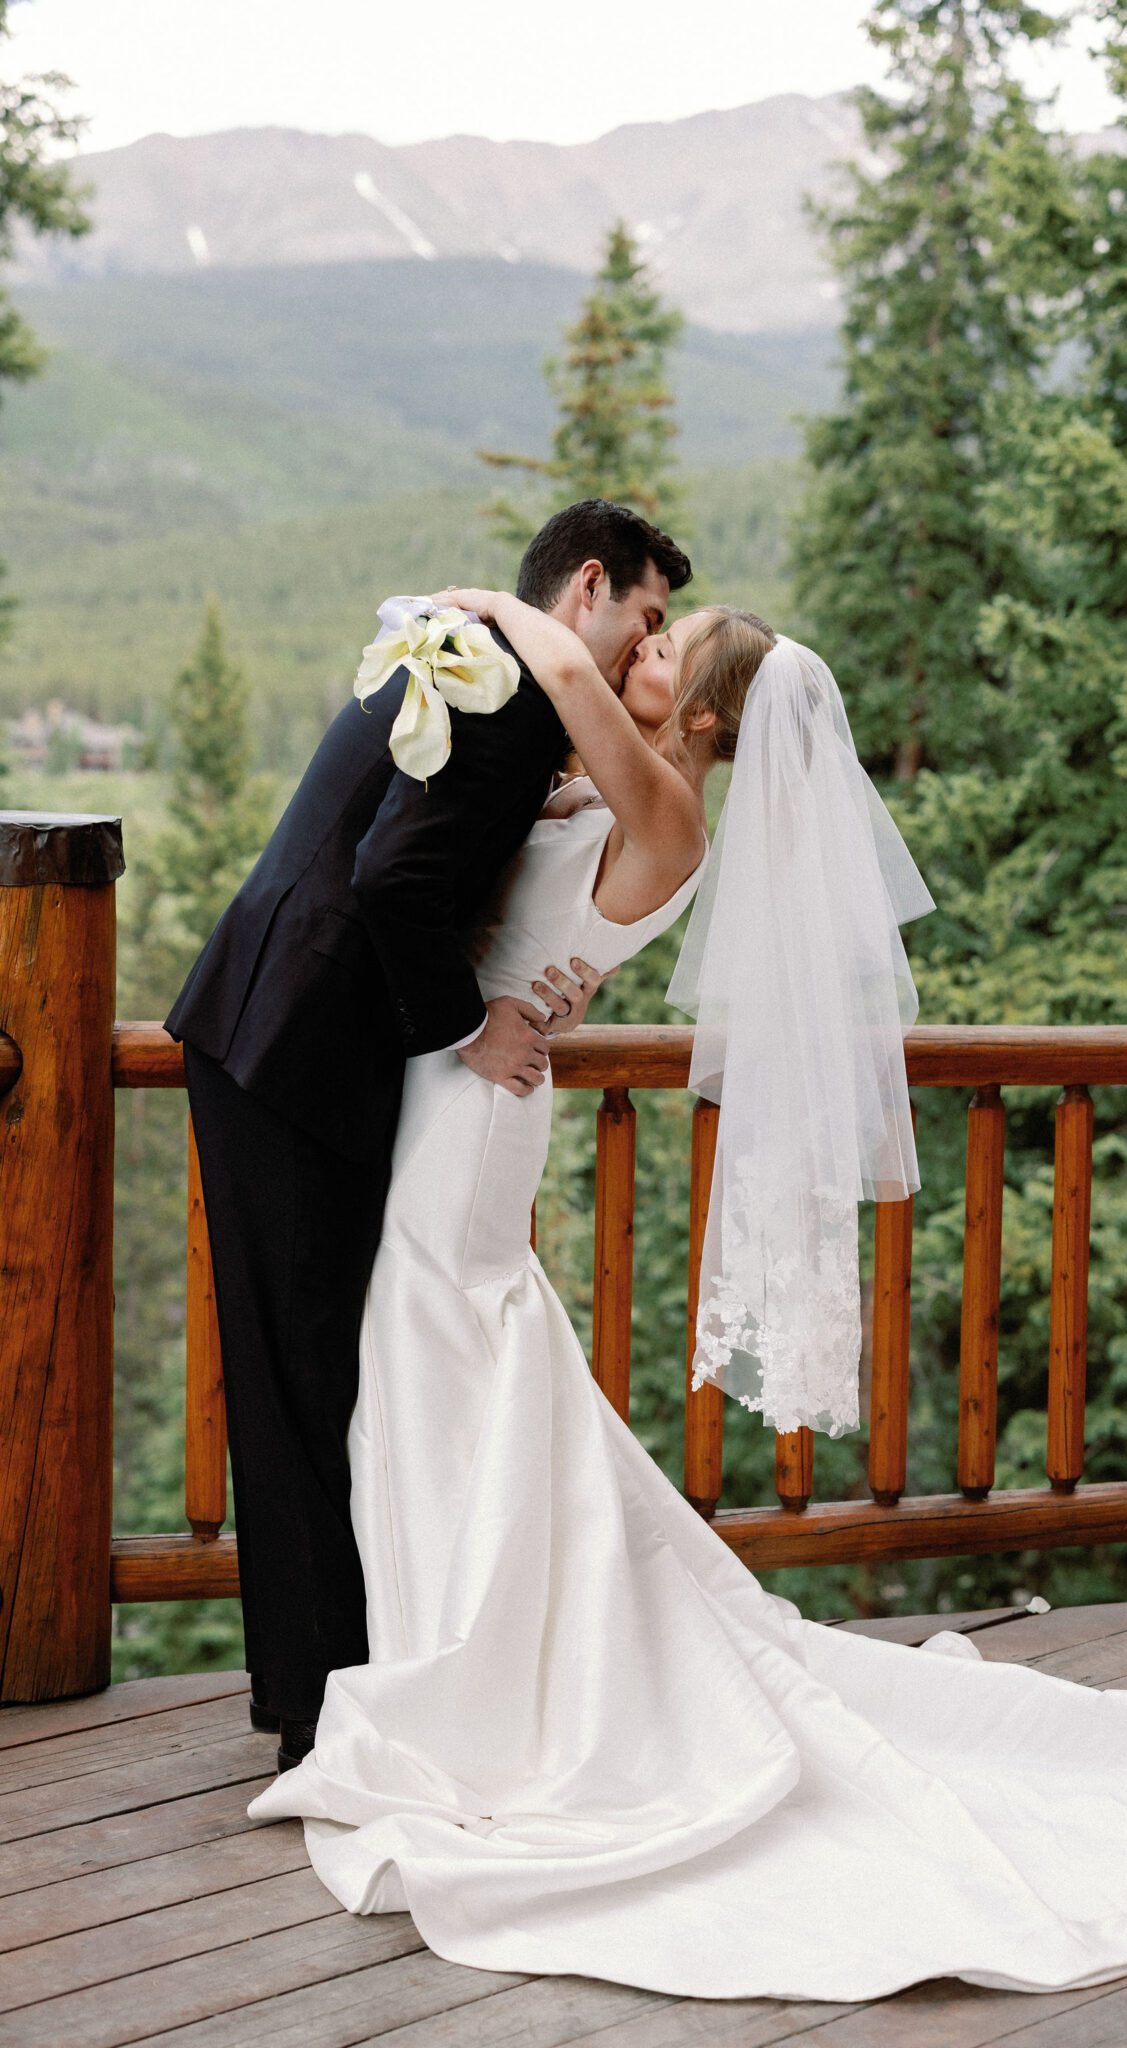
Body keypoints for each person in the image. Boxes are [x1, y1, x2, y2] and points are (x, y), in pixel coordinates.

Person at [245, 588, 1127, 2002]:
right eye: (640, 639)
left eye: (661, 646)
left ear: (701, 714)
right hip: (461, 1087)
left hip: (469, 1118)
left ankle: (468, 1680)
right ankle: (458, 1646)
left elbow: (555, 671)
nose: (636, 657)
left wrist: (477, 610)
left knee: (439, 1360)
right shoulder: (621, 794)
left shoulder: (668, 810)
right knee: (450, 1377)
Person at [163, 501, 693, 1767]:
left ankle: (343, 1679)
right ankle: (315, 1707)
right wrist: (473, 1027)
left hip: (295, 1039)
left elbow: (430, 866)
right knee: (299, 1377)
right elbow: (395, 881)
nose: (644, 644)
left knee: (319, 1370)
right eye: (646, 615)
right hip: (287, 1047)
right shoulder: (512, 689)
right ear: (589, 586)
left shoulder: (500, 670)